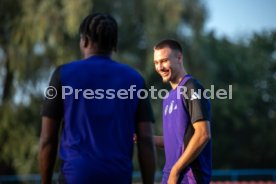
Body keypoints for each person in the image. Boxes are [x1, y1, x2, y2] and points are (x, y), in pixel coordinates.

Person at [39, 13, 156, 184]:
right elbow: (146, 140)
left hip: (75, 177)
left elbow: (48, 139)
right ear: (114, 45)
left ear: (84, 41)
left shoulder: (62, 75)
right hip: (118, 177)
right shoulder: (135, 80)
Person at [153, 39, 212, 184]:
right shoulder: (167, 98)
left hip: (189, 178)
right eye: (156, 62)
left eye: (164, 61)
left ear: (179, 58)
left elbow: (203, 134)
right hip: (170, 177)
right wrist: (143, 138)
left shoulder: (191, 87)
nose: (160, 67)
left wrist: (175, 170)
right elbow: (174, 142)